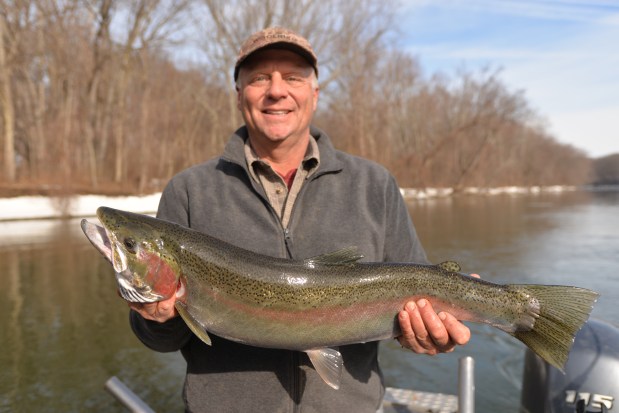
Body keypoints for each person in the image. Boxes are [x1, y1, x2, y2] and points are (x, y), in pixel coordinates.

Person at [128, 27, 472, 413]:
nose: (277, 90)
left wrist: (425, 334)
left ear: (315, 93)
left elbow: (415, 302)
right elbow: (159, 339)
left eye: (293, 77)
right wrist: (158, 318)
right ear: (240, 95)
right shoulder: (189, 190)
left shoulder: (374, 185)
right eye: (259, 78)